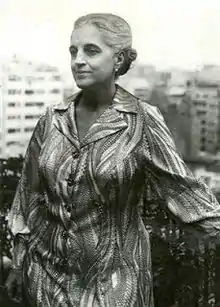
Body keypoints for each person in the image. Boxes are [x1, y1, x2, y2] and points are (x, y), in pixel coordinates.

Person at [5, 13, 220, 307]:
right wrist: (19, 263)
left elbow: (184, 193)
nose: (78, 60)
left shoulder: (142, 121)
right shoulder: (51, 120)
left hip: (113, 288)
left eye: (91, 50)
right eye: (73, 51)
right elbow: (28, 197)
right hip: (47, 284)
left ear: (118, 60)